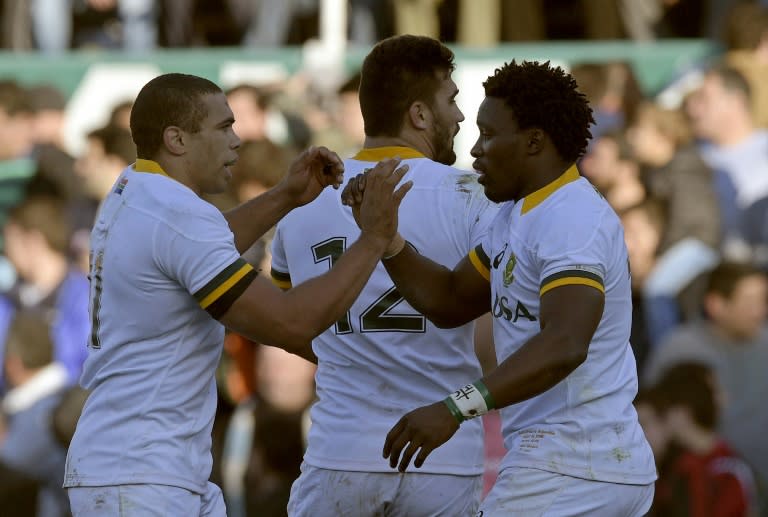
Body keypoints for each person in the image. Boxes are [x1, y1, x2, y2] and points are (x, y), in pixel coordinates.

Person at [62, 72, 412, 517]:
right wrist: (375, 238)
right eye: (223, 127)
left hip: (145, 468)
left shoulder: (138, 186)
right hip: (140, 476)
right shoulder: (175, 215)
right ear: (177, 139)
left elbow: (205, 246)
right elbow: (289, 322)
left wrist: (285, 196)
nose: (237, 140)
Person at [343, 59, 657, 515]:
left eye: (489, 135)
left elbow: (566, 343)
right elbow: (449, 300)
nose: (475, 151)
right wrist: (387, 240)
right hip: (573, 465)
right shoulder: (517, 215)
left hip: (575, 467)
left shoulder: (571, 217)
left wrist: (456, 407)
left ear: (534, 141)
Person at [269, 34, 498, 516]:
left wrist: (354, 353)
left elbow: (289, 322)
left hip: (341, 449)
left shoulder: (305, 196)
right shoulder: (476, 196)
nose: (459, 116)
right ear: (418, 114)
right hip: (444, 455)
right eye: (452, 100)